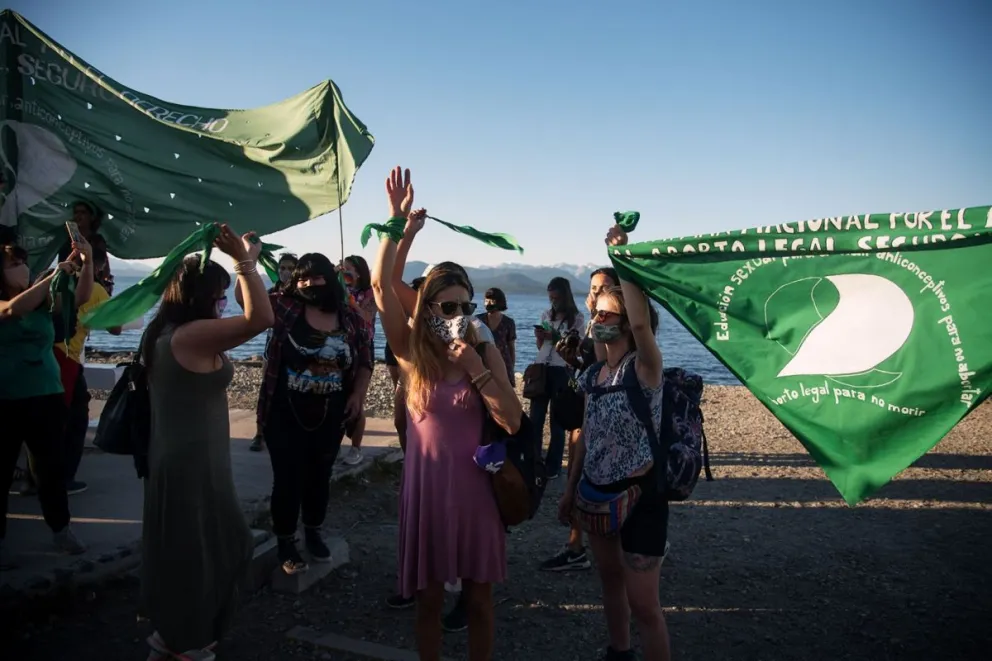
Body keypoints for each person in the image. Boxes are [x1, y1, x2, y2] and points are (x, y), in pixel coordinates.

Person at [374, 167, 521, 661]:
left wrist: (477, 366)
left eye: (466, 303)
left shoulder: (481, 345)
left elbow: (514, 421)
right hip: (427, 492)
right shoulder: (411, 354)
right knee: (429, 603)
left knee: (479, 602)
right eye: (448, 305)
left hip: (478, 490)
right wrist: (398, 223)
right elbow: (382, 283)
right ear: (428, 306)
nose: (459, 313)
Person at [140, 225, 273, 661]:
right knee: (206, 553)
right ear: (199, 298)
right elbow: (260, 318)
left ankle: (173, 637)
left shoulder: (168, 330)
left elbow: (246, 307)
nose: (222, 303)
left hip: (191, 460)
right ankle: (189, 641)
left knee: (208, 548)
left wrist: (246, 256)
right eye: (216, 296)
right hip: (191, 465)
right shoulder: (191, 335)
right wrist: (244, 264)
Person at [559, 224, 668, 661]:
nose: (596, 321)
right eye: (595, 314)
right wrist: (569, 490)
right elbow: (585, 437)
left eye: (606, 315)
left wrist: (620, 259)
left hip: (641, 497)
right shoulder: (594, 375)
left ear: (626, 323)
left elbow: (641, 321)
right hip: (595, 493)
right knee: (609, 584)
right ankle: (618, 652)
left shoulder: (645, 368)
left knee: (645, 605)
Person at [238, 251, 372, 575]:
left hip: (331, 413)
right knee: (287, 479)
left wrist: (357, 393)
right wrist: (247, 263)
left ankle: (313, 532)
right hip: (284, 412)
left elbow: (366, 358)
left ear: (330, 277)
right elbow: (247, 303)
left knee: (319, 477)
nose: (309, 283)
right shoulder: (285, 308)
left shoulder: (349, 318)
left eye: (317, 276)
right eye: (302, 278)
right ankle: (285, 541)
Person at [1, 233, 89, 563]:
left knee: (50, 469)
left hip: (45, 395)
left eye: (23, 262)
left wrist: (86, 261)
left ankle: (60, 529)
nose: (22, 268)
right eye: (14, 264)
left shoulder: (42, 301)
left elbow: (79, 296)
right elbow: (11, 309)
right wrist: (54, 274)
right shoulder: (16, 302)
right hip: (6, 397)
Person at [539, 267, 617, 572]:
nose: (597, 293)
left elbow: (608, 365)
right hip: (586, 408)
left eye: (605, 288)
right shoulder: (594, 325)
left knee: (591, 478)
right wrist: (574, 359)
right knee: (578, 473)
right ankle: (576, 545)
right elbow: (593, 366)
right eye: (594, 287)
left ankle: (588, 546)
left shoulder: (612, 326)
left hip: (603, 414)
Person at [54, 244, 123, 496]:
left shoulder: (48, 283)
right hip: (68, 358)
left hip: (45, 354)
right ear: (98, 264)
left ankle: (34, 479)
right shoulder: (94, 289)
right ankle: (64, 479)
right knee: (74, 421)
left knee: (44, 422)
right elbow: (115, 328)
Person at [533, 277, 585, 479]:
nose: (553, 302)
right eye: (550, 298)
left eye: (556, 297)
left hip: (562, 369)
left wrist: (554, 338)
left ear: (565, 296)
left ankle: (553, 467)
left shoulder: (577, 319)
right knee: (535, 418)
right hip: (543, 367)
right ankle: (534, 460)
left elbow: (578, 348)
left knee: (557, 421)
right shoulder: (546, 314)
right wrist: (540, 338)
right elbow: (542, 347)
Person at [250, 252, 298, 452]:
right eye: (282, 268)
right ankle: (260, 433)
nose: (285, 272)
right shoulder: (271, 294)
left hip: (295, 353)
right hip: (272, 350)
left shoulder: (302, 295)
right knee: (266, 392)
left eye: (290, 268)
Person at [340, 254, 376, 466]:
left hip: (362, 347)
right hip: (342, 344)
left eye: (349, 269)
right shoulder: (339, 289)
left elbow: (368, 317)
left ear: (360, 272)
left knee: (357, 398)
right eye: (343, 268)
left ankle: (356, 447)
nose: (345, 272)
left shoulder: (370, 293)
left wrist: (352, 302)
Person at [477, 288, 516, 388]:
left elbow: (511, 346)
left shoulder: (508, 322)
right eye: (486, 300)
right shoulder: (478, 320)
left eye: (492, 300)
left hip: (503, 363)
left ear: (499, 302)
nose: (488, 303)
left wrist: (511, 367)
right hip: (483, 364)